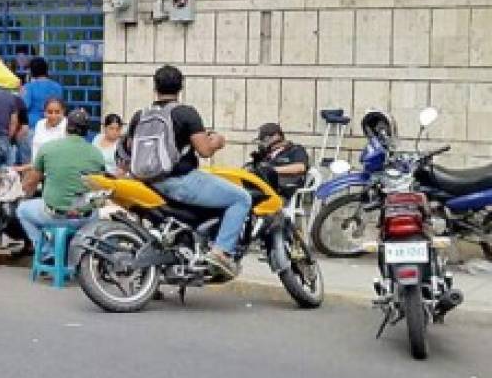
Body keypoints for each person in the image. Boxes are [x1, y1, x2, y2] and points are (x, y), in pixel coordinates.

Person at [120, 65, 249, 279]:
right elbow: (204, 150)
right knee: (241, 199)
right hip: (178, 181)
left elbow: (133, 149)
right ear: (181, 87)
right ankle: (220, 253)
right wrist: (217, 141)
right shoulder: (186, 113)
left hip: (146, 183)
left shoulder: (139, 116)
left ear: (155, 87)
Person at [16, 108, 106, 261]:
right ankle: (75, 254)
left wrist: (22, 195)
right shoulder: (97, 154)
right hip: (85, 216)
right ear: (86, 131)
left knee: (22, 210)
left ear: (66, 127)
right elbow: (99, 186)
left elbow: (31, 182)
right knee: (96, 213)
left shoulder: (48, 149)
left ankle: (47, 252)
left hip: (55, 214)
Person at [252, 122, 310, 198]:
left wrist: (272, 170)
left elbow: (300, 167)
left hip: (283, 192)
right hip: (262, 188)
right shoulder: (266, 154)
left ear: (276, 136)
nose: (262, 143)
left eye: (264, 139)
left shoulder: (295, 150)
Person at [22, 57, 63, 129]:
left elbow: (24, 106)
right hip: (53, 123)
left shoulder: (28, 87)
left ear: (32, 71)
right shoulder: (57, 87)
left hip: (34, 125)